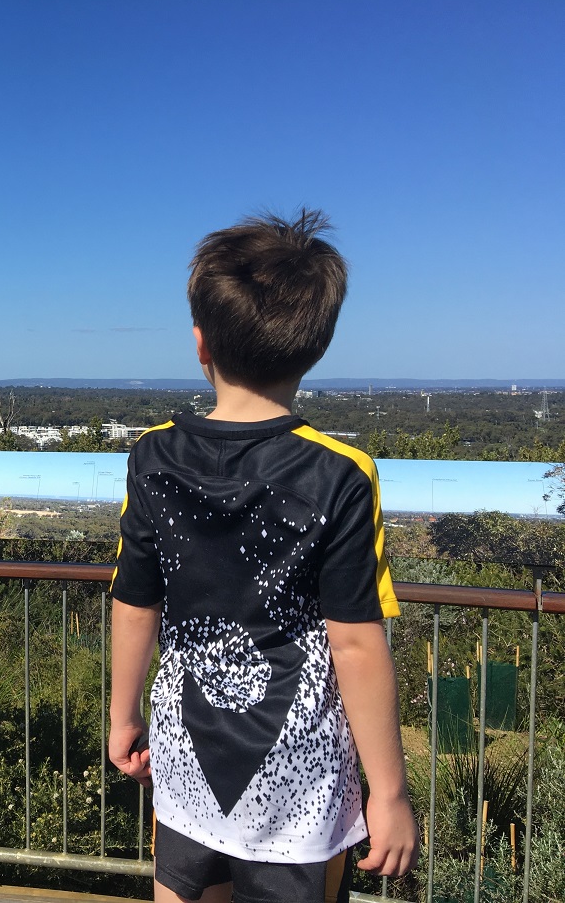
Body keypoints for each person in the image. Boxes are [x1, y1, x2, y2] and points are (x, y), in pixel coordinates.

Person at [108, 210, 418, 903]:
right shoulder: (340, 472)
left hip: (184, 762)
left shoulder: (153, 454)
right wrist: (390, 792)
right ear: (316, 347)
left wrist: (122, 716)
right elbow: (357, 646)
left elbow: (134, 603)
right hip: (299, 785)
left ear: (200, 344)